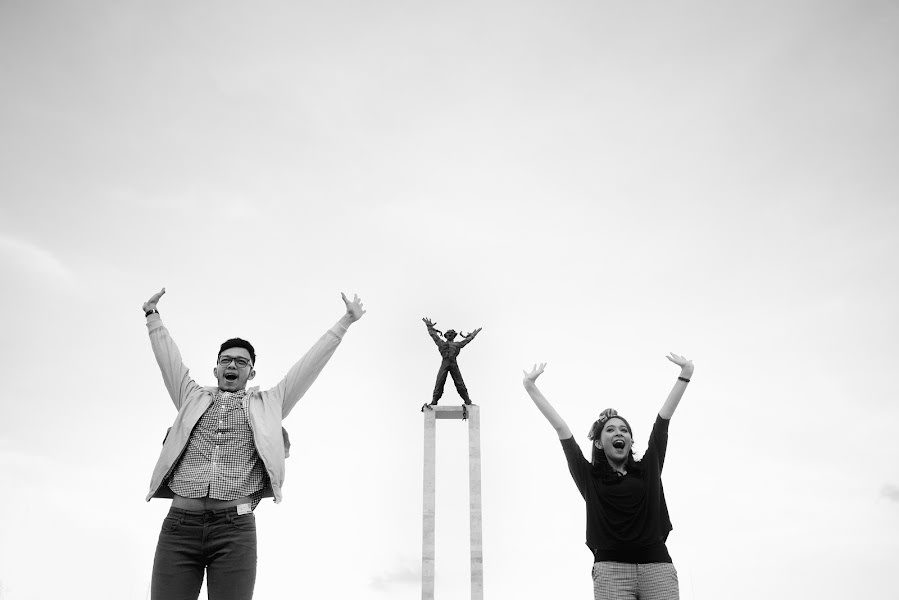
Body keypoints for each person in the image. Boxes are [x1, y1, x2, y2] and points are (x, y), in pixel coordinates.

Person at [141, 287, 365, 600]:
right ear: (216, 368)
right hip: (180, 527)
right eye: (226, 361)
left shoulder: (269, 403)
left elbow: (308, 365)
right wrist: (153, 317)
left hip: (234, 530)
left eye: (241, 362)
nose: (232, 366)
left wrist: (345, 322)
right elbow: (169, 360)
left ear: (251, 371)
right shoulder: (190, 396)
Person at [521, 353, 694, 600]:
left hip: (658, 568)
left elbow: (662, 421)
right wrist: (530, 387)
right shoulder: (589, 477)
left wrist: (685, 374)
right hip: (611, 572)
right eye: (610, 430)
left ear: (631, 440)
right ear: (600, 443)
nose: (618, 433)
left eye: (624, 429)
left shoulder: (648, 469)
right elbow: (562, 429)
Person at [422, 317, 482, 405]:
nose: (450, 334)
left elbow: (467, 340)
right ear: (445, 335)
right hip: (445, 362)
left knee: (459, 382)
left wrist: (473, 335)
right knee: (439, 381)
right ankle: (434, 400)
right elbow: (434, 336)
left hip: (453, 363)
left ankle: (467, 400)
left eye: (452, 333)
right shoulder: (441, 343)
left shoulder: (457, 344)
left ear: (454, 335)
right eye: (448, 333)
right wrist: (429, 327)